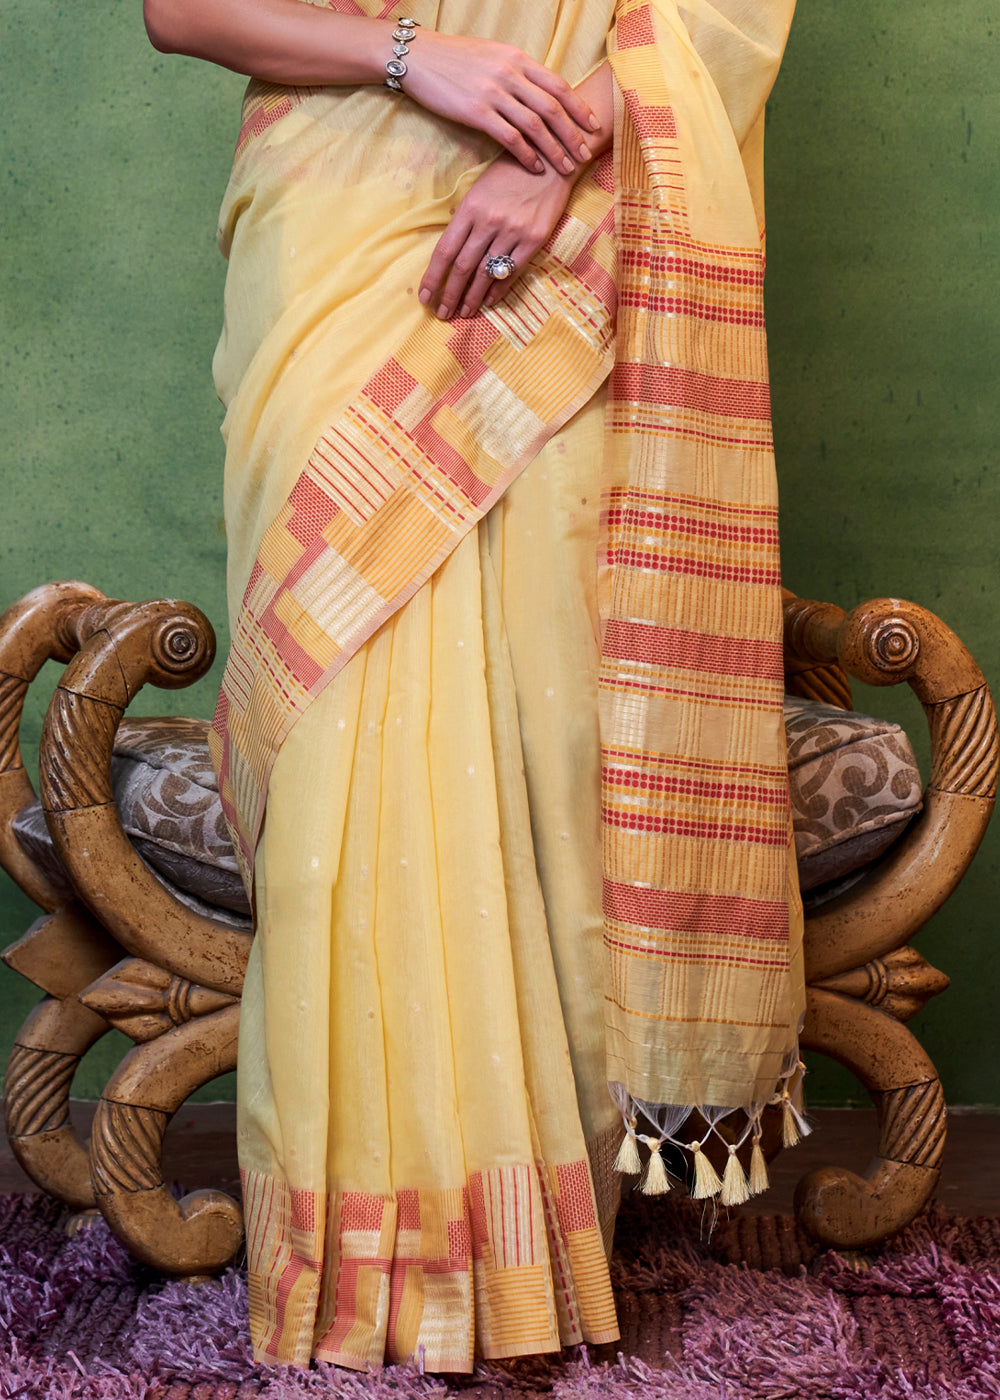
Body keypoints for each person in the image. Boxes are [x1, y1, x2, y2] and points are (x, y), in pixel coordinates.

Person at [144, 0, 804, 1374]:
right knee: (340, 715)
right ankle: (364, 1261)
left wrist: (558, 150)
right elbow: (180, 8)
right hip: (338, 215)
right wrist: (420, 59)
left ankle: (528, 1255)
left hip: (572, 221)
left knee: (554, 719)